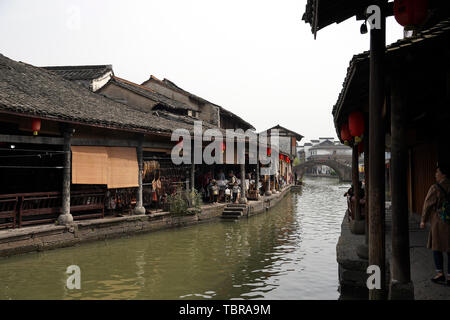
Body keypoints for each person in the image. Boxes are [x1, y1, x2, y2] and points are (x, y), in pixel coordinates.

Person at [420, 164, 450, 285]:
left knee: (436, 247)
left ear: (443, 174)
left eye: (437, 172)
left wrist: (423, 220)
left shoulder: (435, 188)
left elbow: (427, 205)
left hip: (439, 221)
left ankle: (440, 273)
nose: (435, 174)